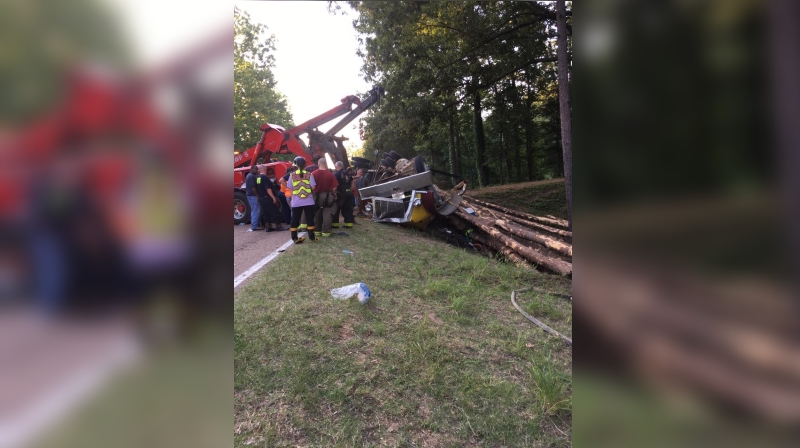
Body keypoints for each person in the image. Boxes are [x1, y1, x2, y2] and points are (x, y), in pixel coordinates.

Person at [288, 156, 318, 243]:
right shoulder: (309, 174)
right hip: (309, 200)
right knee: (310, 219)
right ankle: (312, 238)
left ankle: (295, 238)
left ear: (296, 165)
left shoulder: (292, 175)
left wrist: (292, 199)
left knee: (295, 220)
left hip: (296, 201)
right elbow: (313, 187)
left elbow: (291, 188)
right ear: (305, 165)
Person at [312, 158, 339, 237]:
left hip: (316, 196)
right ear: (326, 164)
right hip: (328, 196)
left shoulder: (313, 174)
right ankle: (326, 232)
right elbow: (335, 188)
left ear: (318, 164)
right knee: (327, 213)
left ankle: (317, 231)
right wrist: (334, 194)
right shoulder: (330, 174)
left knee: (317, 213)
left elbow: (310, 186)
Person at [257, 165, 286, 232]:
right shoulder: (265, 178)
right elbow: (268, 189)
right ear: (265, 169)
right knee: (274, 211)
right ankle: (278, 226)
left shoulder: (258, 178)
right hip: (267, 198)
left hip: (261, 198)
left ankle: (268, 226)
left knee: (265, 212)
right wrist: (273, 198)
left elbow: (258, 188)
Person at [332, 162, 355, 229]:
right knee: (348, 209)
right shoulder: (348, 173)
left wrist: (334, 193)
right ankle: (349, 224)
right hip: (349, 194)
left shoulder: (336, 174)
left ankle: (335, 225)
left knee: (336, 209)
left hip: (340, 194)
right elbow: (352, 182)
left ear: (337, 166)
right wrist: (350, 190)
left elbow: (335, 185)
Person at [245, 165, 261, 232]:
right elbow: (253, 188)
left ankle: (256, 225)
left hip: (250, 196)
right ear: (252, 169)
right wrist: (257, 196)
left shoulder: (250, 175)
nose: (257, 170)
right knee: (255, 210)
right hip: (252, 196)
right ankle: (254, 226)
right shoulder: (251, 176)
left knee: (255, 210)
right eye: (256, 169)